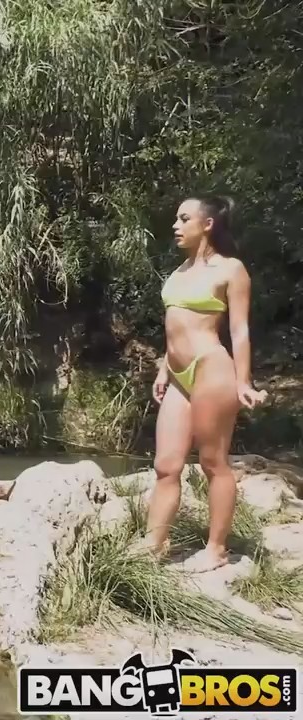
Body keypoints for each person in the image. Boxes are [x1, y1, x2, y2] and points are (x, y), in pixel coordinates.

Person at [141, 195, 267, 572]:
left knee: (213, 462)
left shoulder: (231, 269)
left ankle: (216, 549)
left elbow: (239, 330)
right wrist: (164, 369)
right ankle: (153, 545)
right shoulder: (178, 272)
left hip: (212, 368)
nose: (176, 226)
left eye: (184, 219)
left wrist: (243, 381)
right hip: (178, 376)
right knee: (166, 465)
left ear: (208, 224)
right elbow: (174, 328)